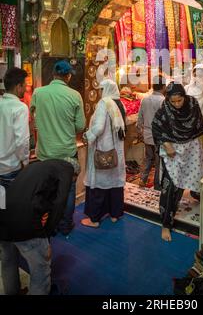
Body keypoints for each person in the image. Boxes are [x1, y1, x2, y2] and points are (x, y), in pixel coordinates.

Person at [0, 159, 75, 295]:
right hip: (23, 222)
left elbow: (41, 196)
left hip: (2, 217)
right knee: (41, 271)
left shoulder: (39, 166)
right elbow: (60, 204)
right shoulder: (68, 170)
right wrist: (46, 235)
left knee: (8, 260)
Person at [30, 60, 86, 235]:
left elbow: (33, 118)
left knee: (47, 190)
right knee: (68, 191)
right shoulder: (74, 95)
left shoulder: (38, 93)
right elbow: (80, 126)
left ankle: (48, 227)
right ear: (68, 76)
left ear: (53, 74)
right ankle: (65, 225)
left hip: (45, 154)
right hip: (67, 154)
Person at [152, 82, 203, 242]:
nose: (177, 104)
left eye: (180, 100)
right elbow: (156, 128)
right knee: (170, 186)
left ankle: (196, 209)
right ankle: (166, 223)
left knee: (194, 180)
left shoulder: (192, 104)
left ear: (184, 97)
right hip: (172, 150)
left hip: (191, 149)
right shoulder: (164, 110)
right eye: (174, 101)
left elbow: (199, 122)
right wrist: (166, 144)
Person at [81, 79, 126, 228]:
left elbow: (99, 127)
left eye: (101, 89)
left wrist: (88, 136)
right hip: (115, 152)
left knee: (99, 183)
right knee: (114, 182)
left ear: (105, 89)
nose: (99, 92)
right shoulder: (119, 104)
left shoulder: (104, 103)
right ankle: (114, 214)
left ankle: (94, 219)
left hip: (102, 150)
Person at [0, 67, 30, 189]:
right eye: (25, 85)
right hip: (11, 168)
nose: (26, 89)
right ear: (18, 87)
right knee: (13, 206)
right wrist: (25, 161)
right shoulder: (20, 108)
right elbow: (22, 141)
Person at [136, 75, 166, 190]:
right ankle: (157, 185)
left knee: (148, 158)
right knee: (159, 161)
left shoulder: (145, 99)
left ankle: (143, 180)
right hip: (159, 135)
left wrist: (139, 131)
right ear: (163, 87)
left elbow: (140, 118)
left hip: (147, 134)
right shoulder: (163, 101)